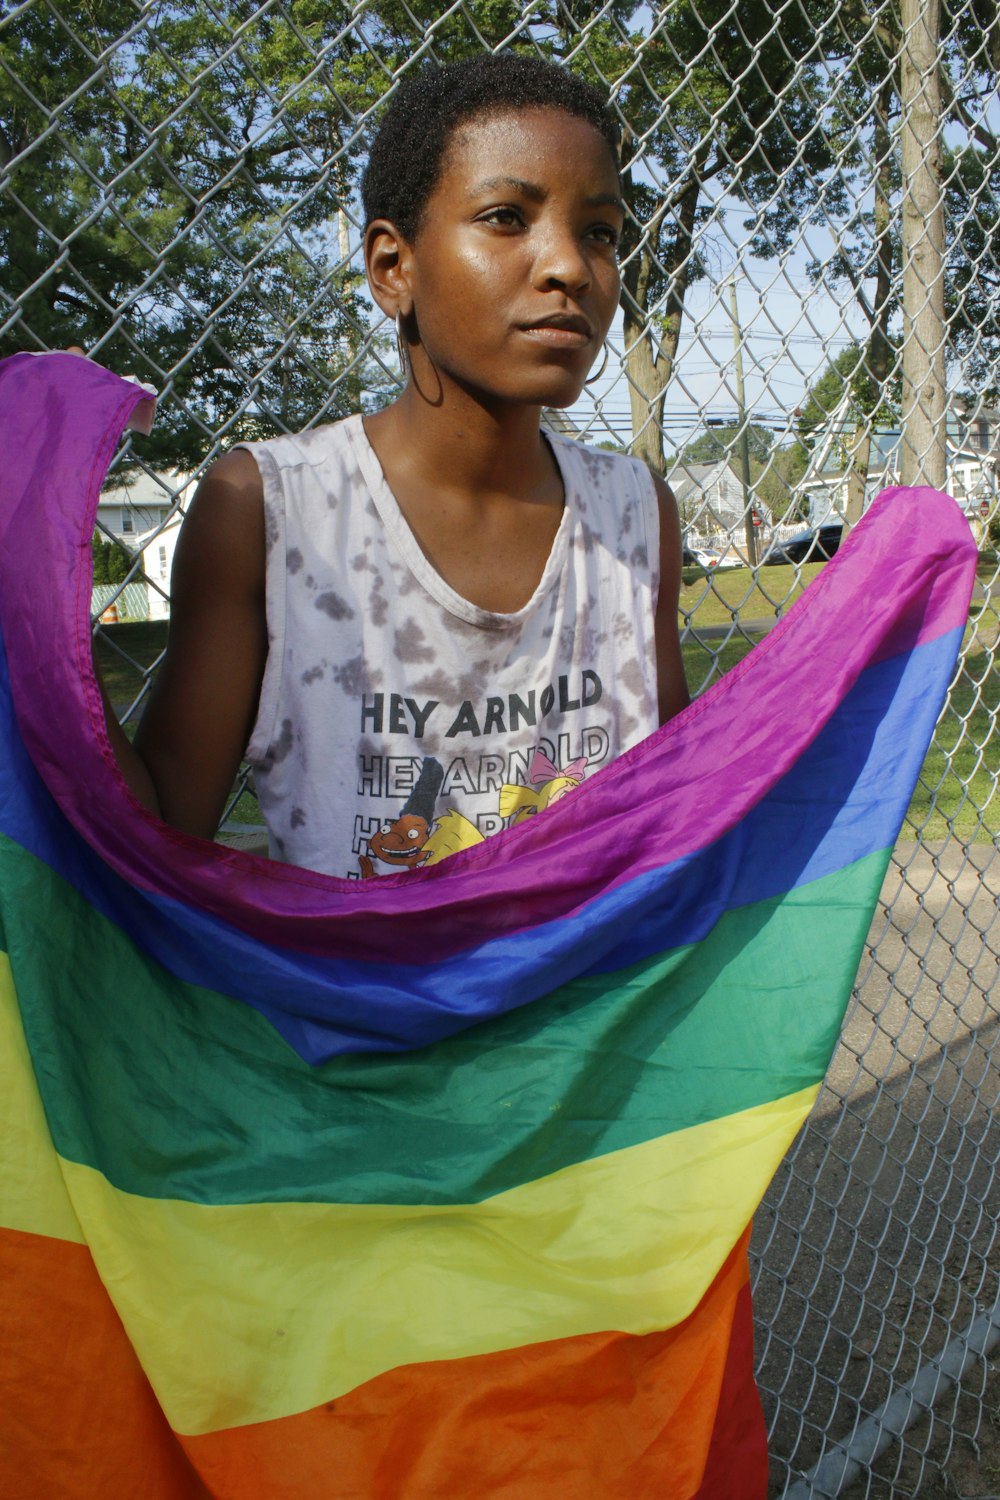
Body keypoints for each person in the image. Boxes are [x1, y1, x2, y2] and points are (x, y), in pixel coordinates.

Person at [100, 53, 689, 879]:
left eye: (599, 232)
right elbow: (156, 829)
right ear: (392, 268)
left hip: (593, 1004)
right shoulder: (272, 511)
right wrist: (34, 605)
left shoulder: (635, 514)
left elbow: (679, 811)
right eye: (507, 217)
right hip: (357, 1004)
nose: (569, 268)